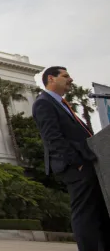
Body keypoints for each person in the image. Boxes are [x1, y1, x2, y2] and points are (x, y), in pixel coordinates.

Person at [32, 66, 110, 251]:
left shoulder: (61, 103)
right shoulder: (43, 103)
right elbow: (52, 138)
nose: (71, 79)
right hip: (76, 166)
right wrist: (76, 163)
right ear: (51, 78)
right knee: (85, 214)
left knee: (99, 212)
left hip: (88, 163)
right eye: (65, 76)